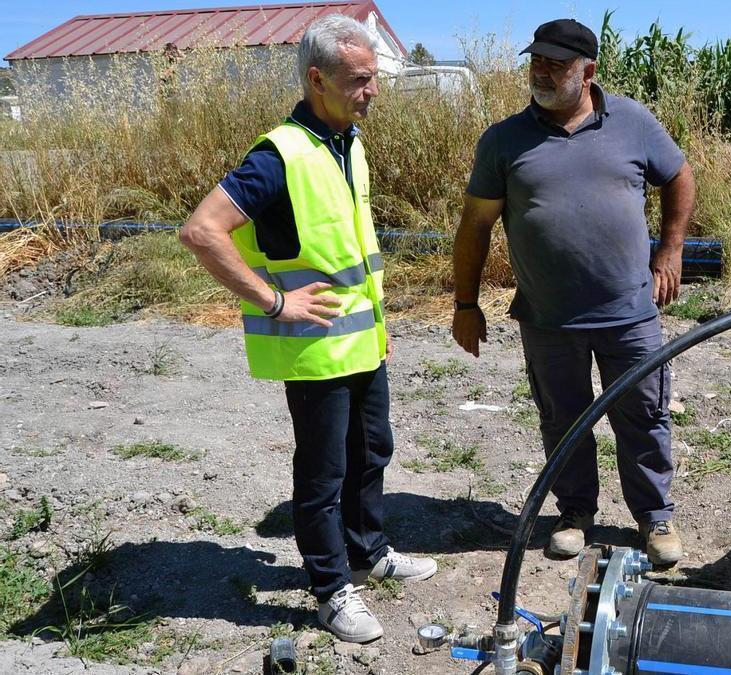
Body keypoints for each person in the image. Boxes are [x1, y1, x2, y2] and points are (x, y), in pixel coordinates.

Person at [179, 15, 436, 643]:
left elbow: (352, 252)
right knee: (322, 475)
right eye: (359, 80)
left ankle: (369, 551)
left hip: (363, 343)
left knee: (372, 452)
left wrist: (379, 324)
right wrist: (274, 302)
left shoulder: (347, 141)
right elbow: (201, 231)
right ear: (317, 79)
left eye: (374, 79)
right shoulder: (279, 155)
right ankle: (330, 590)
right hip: (316, 353)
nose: (371, 90)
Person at [452, 18, 697, 566]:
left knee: (643, 413)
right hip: (548, 317)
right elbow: (474, 226)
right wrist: (465, 305)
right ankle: (575, 513)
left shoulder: (631, 121)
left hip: (630, 311)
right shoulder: (504, 140)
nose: (541, 71)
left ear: (588, 71)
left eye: (556, 63)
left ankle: (655, 517)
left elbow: (679, 175)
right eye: (536, 60)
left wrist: (671, 248)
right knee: (563, 418)